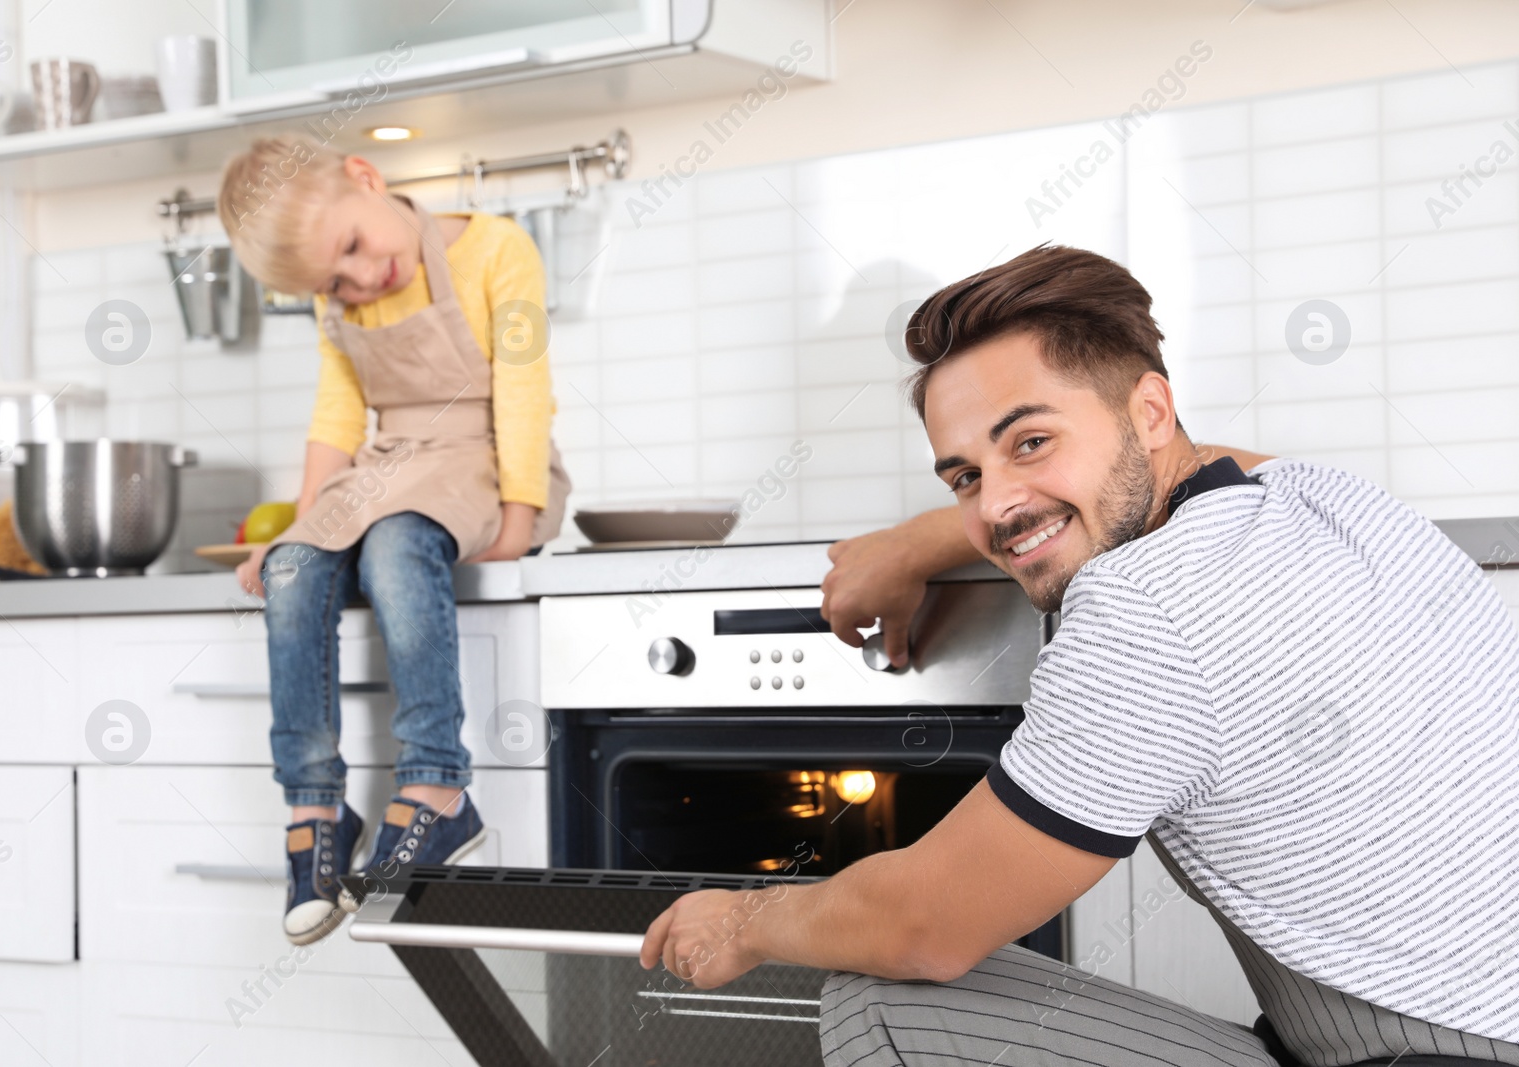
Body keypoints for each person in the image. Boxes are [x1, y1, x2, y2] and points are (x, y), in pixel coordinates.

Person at [639, 245, 1519, 1066]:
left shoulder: (1147, 608)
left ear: (1150, 411)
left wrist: (748, 918)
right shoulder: (1325, 497)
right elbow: (1203, 464)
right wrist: (919, 542)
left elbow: (925, 924)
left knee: (887, 996)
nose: (995, 509)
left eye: (1030, 441)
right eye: (964, 477)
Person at [217, 136, 570, 945]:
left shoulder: (498, 249)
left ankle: (438, 787)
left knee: (395, 544)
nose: (357, 281)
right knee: (297, 566)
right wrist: (299, 527)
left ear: (367, 179)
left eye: (352, 249)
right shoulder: (336, 298)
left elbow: (524, 389)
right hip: (388, 463)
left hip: (480, 457)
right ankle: (314, 810)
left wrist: (520, 516)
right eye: (332, 281)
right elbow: (338, 415)